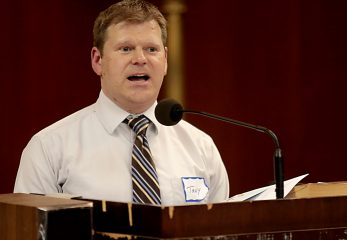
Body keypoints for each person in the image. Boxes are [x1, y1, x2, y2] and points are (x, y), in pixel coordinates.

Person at [14, 0, 229, 205]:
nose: (140, 59)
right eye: (126, 48)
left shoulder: (201, 148)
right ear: (98, 60)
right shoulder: (49, 148)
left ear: (165, 60)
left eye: (151, 49)